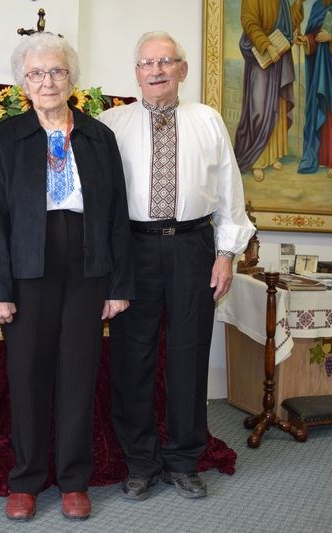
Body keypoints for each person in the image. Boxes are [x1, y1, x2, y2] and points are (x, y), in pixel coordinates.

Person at [0, 32, 133, 521]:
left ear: (72, 78)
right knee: (26, 375)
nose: (48, 81)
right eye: (37, 73)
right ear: (23, 81)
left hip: (88, 267)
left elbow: (116, 215)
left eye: (57, 72)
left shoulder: (98, 135)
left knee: (78, 374)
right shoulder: (7, 137)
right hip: (29, 267)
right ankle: (25, 480)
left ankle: (72, 479)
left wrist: (118, 285)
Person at [98, 31, 255, 501]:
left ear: (182, 70)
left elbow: (231, 195)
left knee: (188, 355)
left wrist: (226, 255)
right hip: (134, 249)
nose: (156, 70)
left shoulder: (207, 120)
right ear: (136, 72)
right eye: (147, 63)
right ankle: (141, 462)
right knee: (132, 358)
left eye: (166, 62)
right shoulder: (110, 124)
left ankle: (184, 459)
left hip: (193, 247)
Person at [233, 0, 304, 182]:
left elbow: (289, 26)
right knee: (260, 106)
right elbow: (249, 22)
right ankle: (257, 159)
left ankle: (272, 156)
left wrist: (298, 4)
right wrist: (267, 45)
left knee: (278, 106)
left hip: (280, 58)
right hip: (261, 56)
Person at [294, 0, 332, 178]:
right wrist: (306, 40)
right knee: (319, 108)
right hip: (319, 71)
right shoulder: (317, 7)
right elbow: (315, 35)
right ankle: (321, 157)